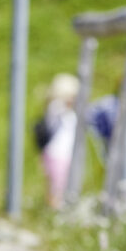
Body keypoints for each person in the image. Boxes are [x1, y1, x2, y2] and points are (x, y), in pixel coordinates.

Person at [36, 73, 79, 209]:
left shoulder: (68, 110)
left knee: (61, 184)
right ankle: (53, 209)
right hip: (56, 152)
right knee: (56, 185)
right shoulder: (56, 107)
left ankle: (55, 208)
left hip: (66, 153)